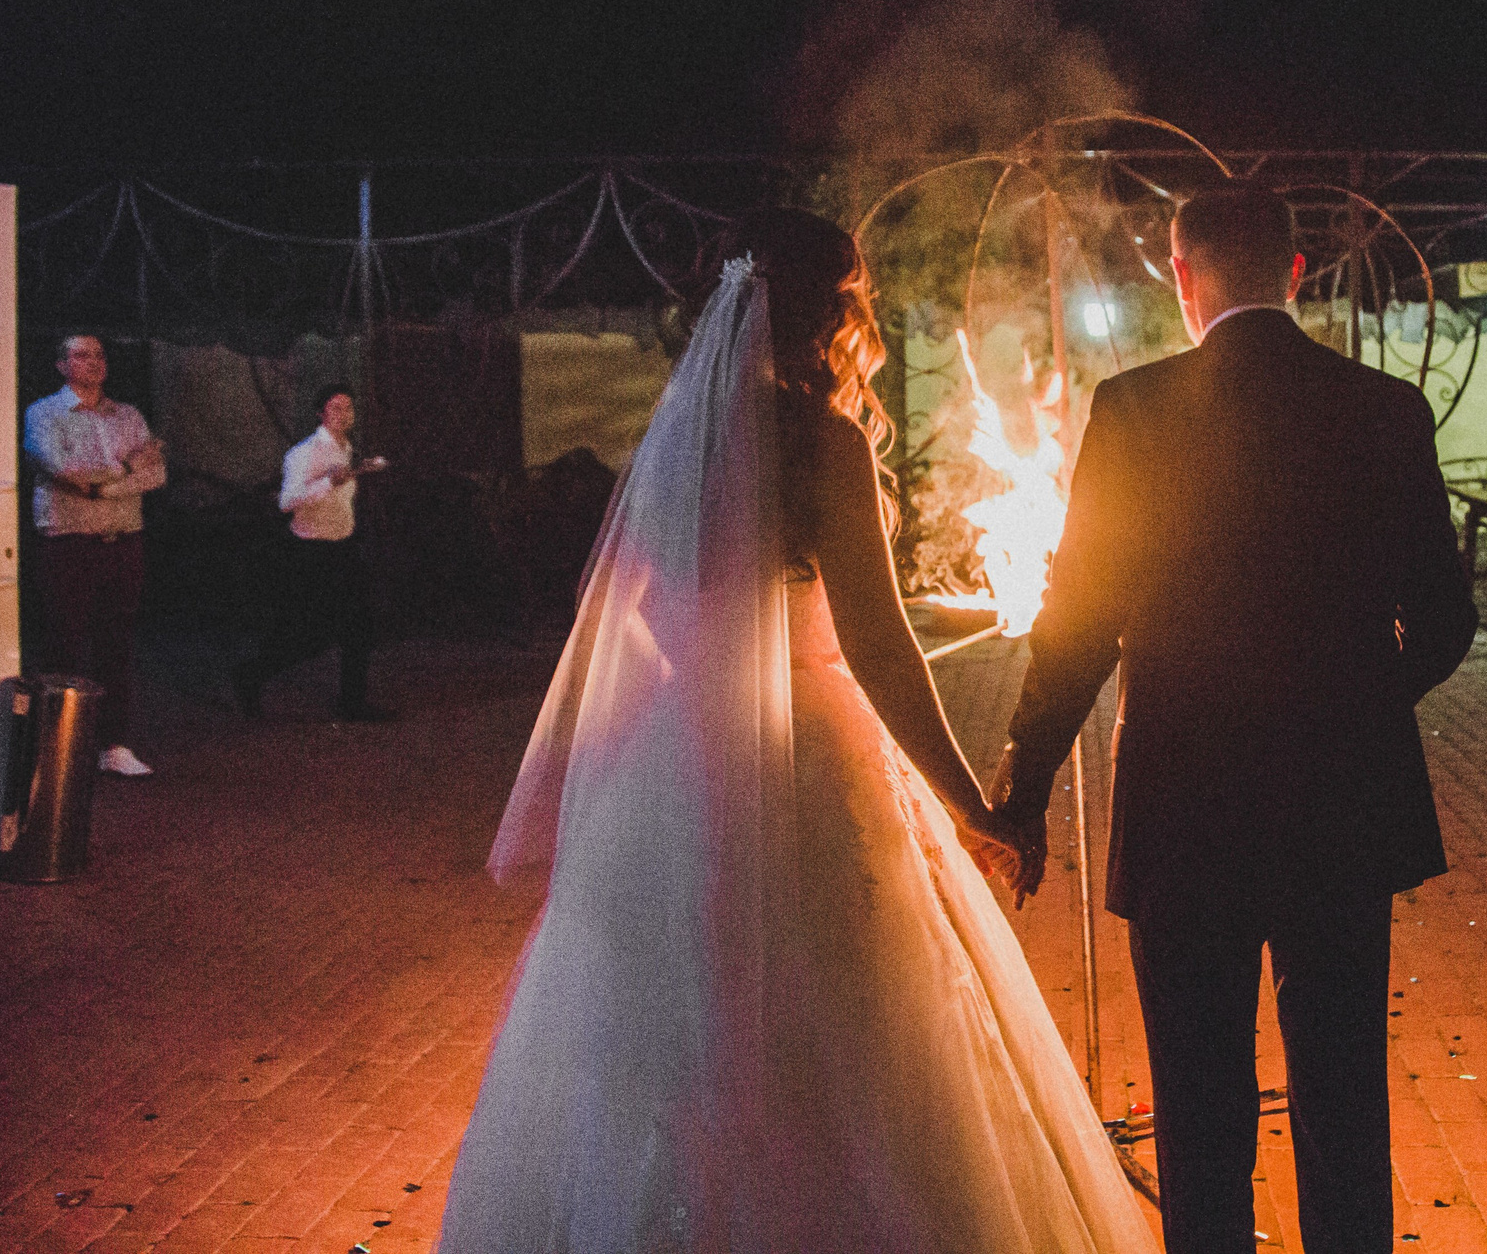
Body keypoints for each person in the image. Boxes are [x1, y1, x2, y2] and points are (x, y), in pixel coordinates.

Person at [438, 211, 1154, 1253]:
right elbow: (881, 647)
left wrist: (701, 680)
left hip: (680, 765)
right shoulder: (824, 443)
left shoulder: (677, 440)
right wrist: (971, 800)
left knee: (685, 1029)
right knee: (846, 1034)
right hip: (814, 758)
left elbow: (630, 611)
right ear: (839, 306)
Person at [992, 185, 1481, 1254]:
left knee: (1200, 1103)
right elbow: (1446, 621)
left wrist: (1021, 791)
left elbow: (1075, 624)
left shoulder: (1132, 410)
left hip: (1184, 805)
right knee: (1343, 1087)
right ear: (1295, 273)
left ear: (1181, 274)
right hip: (1343, 810)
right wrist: (1352, 706)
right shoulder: (1384, 409)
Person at [23, 334, 167, 777]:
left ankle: (113, 744)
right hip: (69, 540)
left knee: (116, 644)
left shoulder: (127, 414)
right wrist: (125, 468)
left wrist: (101, 487)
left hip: (123, 540)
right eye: (82, 355)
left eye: (100, 354)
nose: (94, 362)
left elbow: (156, 474)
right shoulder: (44, 413)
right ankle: (56, 747)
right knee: (63, 641)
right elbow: (62, 471)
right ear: (61, 365)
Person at [232, 386, 393, 722]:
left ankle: (352, 701)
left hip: (343, 549)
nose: (344, 414)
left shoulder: (348, 449)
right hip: (310, 553)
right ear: (320, 413)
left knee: (359, 626)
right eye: (335, 408)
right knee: (306, 634)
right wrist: (328, 483)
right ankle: (249, 675)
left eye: (348, 407)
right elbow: (286, 502)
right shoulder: (304, 453)